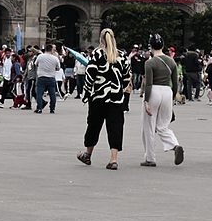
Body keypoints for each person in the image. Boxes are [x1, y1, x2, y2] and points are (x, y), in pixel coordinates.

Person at [76, 29, 132, 170]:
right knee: (115, 127)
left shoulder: (97, 54)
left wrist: (86, 93)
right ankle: (113, 159)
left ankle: (88, 155)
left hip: (98, 98)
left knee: (94, 125)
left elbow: (91, 75)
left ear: (101, 39)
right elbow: (127, 78)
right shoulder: (122, 55)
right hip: (116, 98)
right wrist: (120, 90)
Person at [139, 36, 183, 166]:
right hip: (167, 92)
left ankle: (150, 158)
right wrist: (174, 97)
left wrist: (146, 101)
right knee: (162, 126)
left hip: (154, 92)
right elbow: (175, 82)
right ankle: (175, 145)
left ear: (151, 47)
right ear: (163, 46)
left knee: (148, 127)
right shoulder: (171, 61)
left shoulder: (150, 63)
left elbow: (148, 83)